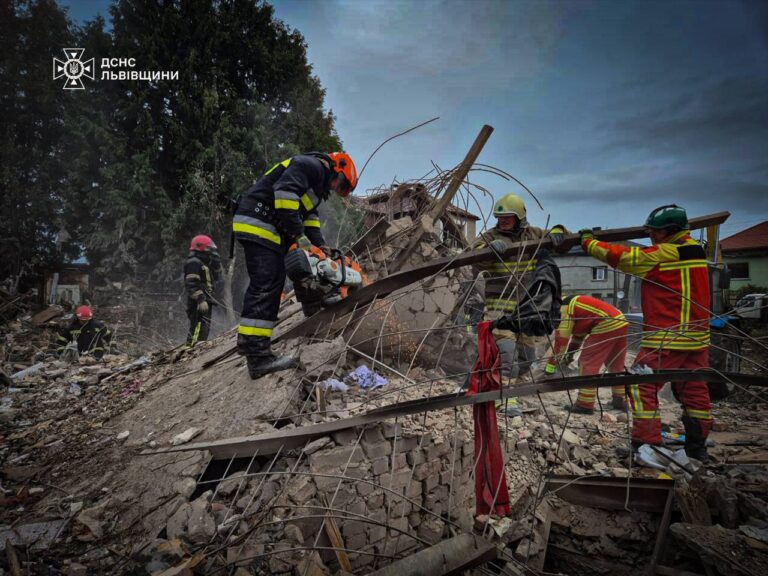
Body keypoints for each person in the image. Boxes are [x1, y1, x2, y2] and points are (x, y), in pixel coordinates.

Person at [580, 204, 712, 461]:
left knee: (641, 385)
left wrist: (588, 242)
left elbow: (622, 257)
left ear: (670, 230)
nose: (651, 237)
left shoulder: (666, 254)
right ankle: (697, 449)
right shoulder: (695, 251)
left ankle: (646, 444)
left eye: (655, 232)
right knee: (695, 392)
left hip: (668, 337)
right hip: (697, 340)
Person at [233, 152, 357, 378]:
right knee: (268, 283)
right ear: (335, 168)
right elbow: (284, 195)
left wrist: (320, 246)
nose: (337, 188)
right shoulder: (309, 166)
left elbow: (308, 218)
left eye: (343, 189)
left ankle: (311, 304)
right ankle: (258, 357)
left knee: (296, 267)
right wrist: (300, 237)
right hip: (260, 221)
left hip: (270, 227)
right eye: (341, 183)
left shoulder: (316, 187)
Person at [471, 193, 568, 417]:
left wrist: (558, 231)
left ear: (520, 216)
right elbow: (472, 255)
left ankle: (491, 385)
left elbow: (563, 239)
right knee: (507, 357)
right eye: (499, 217)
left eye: (508, 217)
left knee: (526, 359)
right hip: (498, 309)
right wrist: (488, 250)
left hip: (526, 310)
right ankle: (505, 401)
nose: (502, 221)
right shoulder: (489, 237)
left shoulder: (534, 234)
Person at [544, 295, 629, 413]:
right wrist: (569, 356)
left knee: (587, 362)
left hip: (606, 322)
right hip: (620, 321)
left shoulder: (564, 309)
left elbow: (561, 342)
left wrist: (550, 366)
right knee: (615, 364)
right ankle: (620, 400)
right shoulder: (576, 307)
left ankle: (585, 404)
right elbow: (578, 337)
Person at [184, 235, 222, 347]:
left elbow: (216, 277)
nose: (211, 251)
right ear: (201, 248)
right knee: (197, 326)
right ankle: (190, 349)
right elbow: (191, 283)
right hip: (198, 302)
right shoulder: (193, 262)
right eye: (209, 248)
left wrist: (216, 262)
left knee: (205, 327)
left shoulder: (204, 263)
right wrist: (200, 299)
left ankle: (199, 346)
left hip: (206, 300)